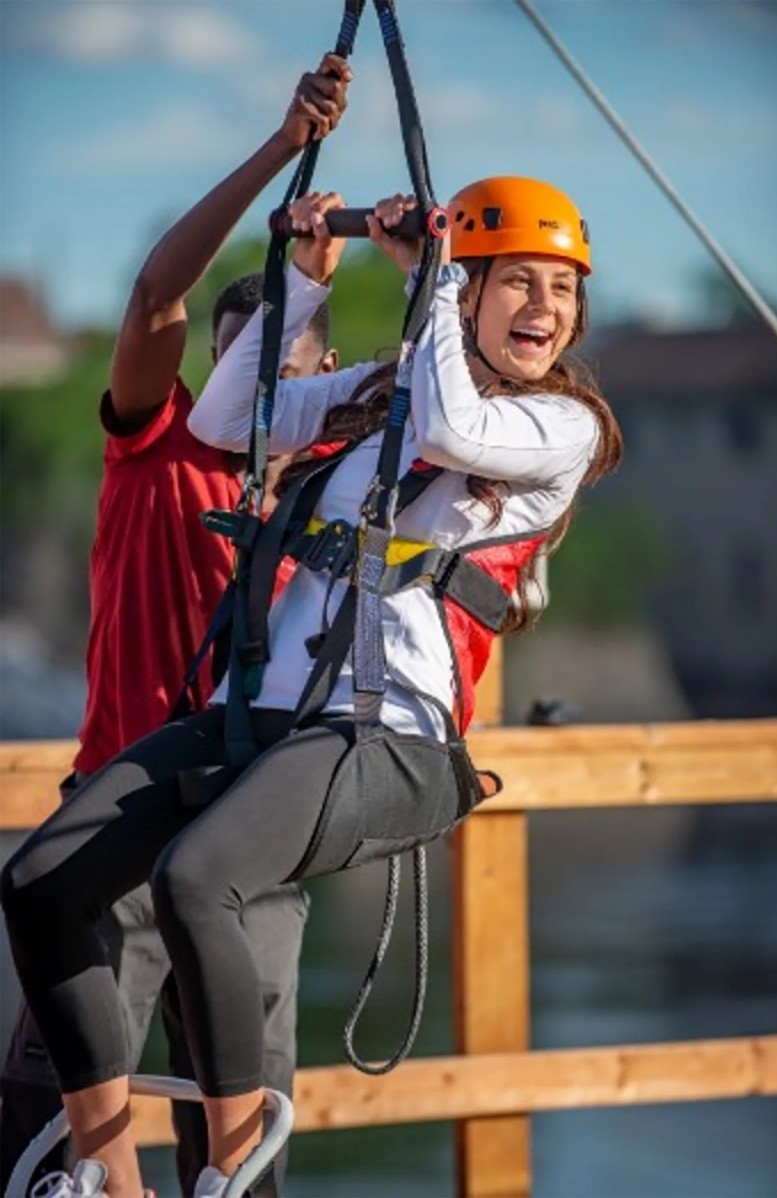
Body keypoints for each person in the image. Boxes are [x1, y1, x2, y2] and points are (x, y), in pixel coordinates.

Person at [2, 175, 622, 1198]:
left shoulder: (560, 429)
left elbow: (456, 432)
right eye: (515, 283)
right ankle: (109, 1173)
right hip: (274, 723)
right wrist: (300, 274)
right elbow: (226, 420)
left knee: (196, 878)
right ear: (469, 295)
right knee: (40, 882)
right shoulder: (381, 389)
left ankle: (230, 1176)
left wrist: (425, 278)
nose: (543, 308)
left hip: (387, 739)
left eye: (560, 290)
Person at [0, 56, 349, 1198]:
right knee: (49, 1146)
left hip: (251, 856)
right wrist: (278, 145)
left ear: (324, 371)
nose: (251, 398)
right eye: (232, 368)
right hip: (115, 837)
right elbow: (155, 295)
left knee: (240, 1168)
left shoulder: (345, 494)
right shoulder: (160, 452)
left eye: (282, 370)